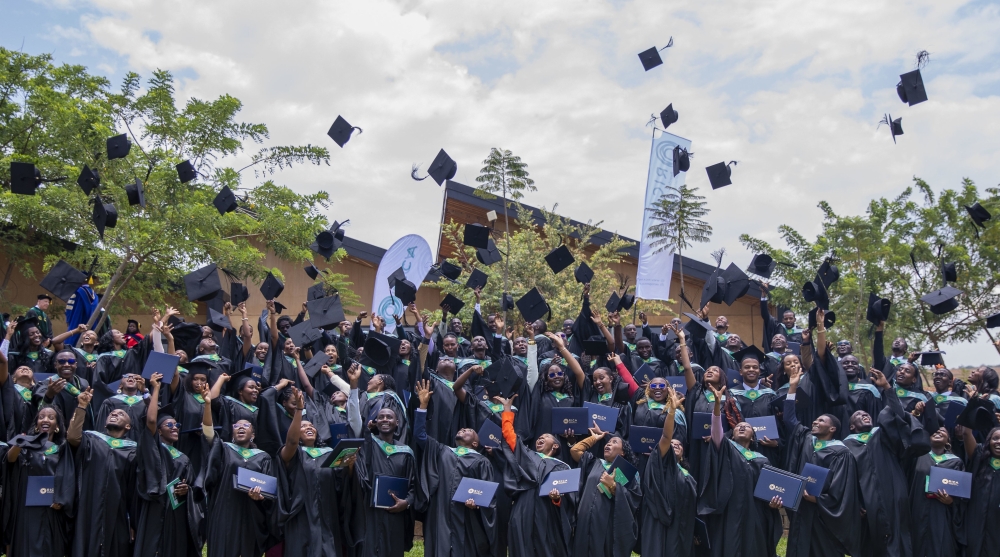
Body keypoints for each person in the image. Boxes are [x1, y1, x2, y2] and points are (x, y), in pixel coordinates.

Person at [844, 368, 929, 557]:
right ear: (851, 426)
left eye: (866, 414)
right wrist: (855, 503)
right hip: (866, 502)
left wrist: (888, 388)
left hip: (894, 493)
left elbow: (898, 416)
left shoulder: (882, 436)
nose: (864, 415)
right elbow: (846, 480)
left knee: (899, 536)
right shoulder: (845, 446)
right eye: (858, 415)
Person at [783, 359, 862, 557]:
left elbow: (842, 490)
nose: (815, 421)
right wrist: (793, 387)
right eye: (816, 419)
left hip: (823, 513)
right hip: (802, 507)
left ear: (833, 429)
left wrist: (817, 499)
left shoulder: (841, 452)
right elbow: (789, 419)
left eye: (821, 421)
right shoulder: (806, 438)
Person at [414, 379, 497, 557]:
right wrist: (423, 405)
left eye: (468, 430)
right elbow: (420, 435)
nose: (463, 429)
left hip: (467, 517)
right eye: (462, 429)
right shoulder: (442, 450)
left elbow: (487, 496)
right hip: (441, 511)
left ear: (475, 442)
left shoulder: (482, 462)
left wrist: (477, 505)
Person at [698, 384, 783, 557]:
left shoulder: (761, 459)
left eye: (747, 427)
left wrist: (773, 503)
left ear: (753, 437)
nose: (742, 427)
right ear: (732, 434)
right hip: (730, 510)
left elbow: (769, 490)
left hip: (756, 513)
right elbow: (716, 434)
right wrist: (716, 406)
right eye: (738, 427)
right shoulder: (727, 450)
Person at [133, 373, 208, 557]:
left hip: (176, 513)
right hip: (155, 507)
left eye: (177, 424)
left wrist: (186, 490)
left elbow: (192, 488)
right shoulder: (153, 448)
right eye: (169, 424)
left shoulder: (184, 458)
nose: (175, 427)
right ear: (159, 431)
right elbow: (151, 420)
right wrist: (156, 388)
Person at [276, 386, 353, 557]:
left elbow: (342, 485)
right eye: (303, 427)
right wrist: (299, 411)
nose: (309, 428)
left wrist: (350, 466)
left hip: (328, 514)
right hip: (301, 513)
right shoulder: (293, 454)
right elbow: (291, 442)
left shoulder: (328, 454)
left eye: (311, 426)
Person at [497, 396, 575, 557]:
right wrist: (507, 412)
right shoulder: (527, 455)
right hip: (524, 505)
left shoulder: (562, 467)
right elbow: (509, 436)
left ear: (555, 445)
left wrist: (557, 499)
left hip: (547, 510)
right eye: (539, 437)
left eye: (545, 437)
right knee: (521, 545)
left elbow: (569, 502)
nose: (540, 438)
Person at [67, 387, 139, 557]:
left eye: (121, 414)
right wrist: (82, 406)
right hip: (88, 505)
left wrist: (133, 522)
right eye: (112, 413)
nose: (114, 414)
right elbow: (72, 437)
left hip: (118, 511)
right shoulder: (91, 439)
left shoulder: (133, 450)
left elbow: (134, 490)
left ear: (128, 426)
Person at [2, 405, 76, 557]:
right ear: (36, 425)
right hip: (27, 510)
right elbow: (10, 461)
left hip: (53, 509)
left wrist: (62, 499)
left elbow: (68, 477)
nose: (45, 419)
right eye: (41, 417)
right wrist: (20, 443)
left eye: (50, 417)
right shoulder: (26, 447)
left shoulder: (62, 449)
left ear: (57, 426)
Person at [200, 414, 274, 557]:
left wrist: (260, 497)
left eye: (246, 425)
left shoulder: (263, 457)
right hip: (224, 512)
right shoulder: (224, 449)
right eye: (236, 425)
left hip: (250, 514)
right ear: (232, 432)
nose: (240, 427)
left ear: (253, 434)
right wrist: (208, 404)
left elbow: (268, 492)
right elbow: (209, 433)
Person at [569, 420, 641, 557]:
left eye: (614, 442)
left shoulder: (628, 473)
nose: (608, 444)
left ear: (623, 452)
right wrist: (594, 438)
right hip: (584, 521)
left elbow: (633, 501)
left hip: (607, 525)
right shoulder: (593, 463)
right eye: (608, 442)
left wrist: (613, 486)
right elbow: (575, 450)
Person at [640, 386, 697, 557]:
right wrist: (671, 411)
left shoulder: (688, 475)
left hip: (681, 524)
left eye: (679, 445)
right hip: (660, 519)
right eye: (672, 445)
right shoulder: (662, 462)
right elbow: (666, 437)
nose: (675, 445)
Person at [353, 407, 417, 557]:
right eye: (381, 417)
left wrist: (406, 503)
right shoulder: (369, 445)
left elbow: (414, 486)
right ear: (375, 422)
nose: (385, 420)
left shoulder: (405, 452)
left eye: (389, 417)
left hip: (395, 513)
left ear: (397, 422)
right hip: (369, 512)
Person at [909, 426, 965, 557]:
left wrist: (951, 502)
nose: (938, 431)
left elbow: (962, 497)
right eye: (934, 430)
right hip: (917, 512)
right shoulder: (917, 457)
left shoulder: (956, 462)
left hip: (941, 515)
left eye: (943, 430)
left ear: (948, 441)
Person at [959, 424, 1000, 557]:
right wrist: (972, 410)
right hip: (974, 521)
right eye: (995, 438)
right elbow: (966, 434)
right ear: (989, 441)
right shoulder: (979, 458)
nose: (999, 442)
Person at [94, 373, 150, 442]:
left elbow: (154, 419)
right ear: (120, 385)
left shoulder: (145, 402)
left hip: (141, 445)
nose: (131, 377)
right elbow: (102, 426)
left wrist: (145, 391)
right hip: (113, 446)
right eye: (126, 376)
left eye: (135, 377)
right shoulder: (110, 402)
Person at [759, 282, 803, 351]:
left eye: (791, 318)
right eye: (786, 319)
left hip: (794, 360)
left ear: (795, 319)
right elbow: (765, 314)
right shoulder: (778, 327)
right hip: (778, 359)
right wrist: (764, 295)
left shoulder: (801, 332)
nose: (788, 320)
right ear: (782, 320)